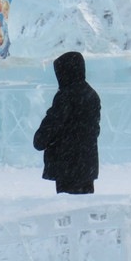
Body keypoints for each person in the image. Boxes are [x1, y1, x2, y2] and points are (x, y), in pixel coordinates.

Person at [33, 51, 101, 194]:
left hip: (67, 165)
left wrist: (40, 140)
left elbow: (53, 124)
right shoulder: (91, 94)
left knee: (67, 208)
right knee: (83, 206)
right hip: (86, 164)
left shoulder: (65, 96)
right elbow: (94, 130)